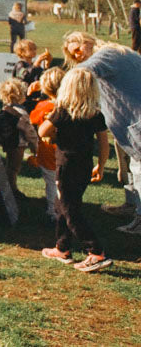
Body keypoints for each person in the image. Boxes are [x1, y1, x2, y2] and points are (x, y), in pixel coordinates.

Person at [63, 31, 141, 235]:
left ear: (88, 42)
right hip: (131, 125)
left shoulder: (106, 55)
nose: (78, 56)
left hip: (137, 123)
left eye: (78, 49)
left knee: (139, 171)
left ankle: (140, 219)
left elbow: (84, 70)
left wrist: (60, 88)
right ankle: (132, 205)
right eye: (73, 55)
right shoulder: (117, 54)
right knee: (133, 169)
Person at [37, 68, 113, 272]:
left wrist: (52, 129)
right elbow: (104, 143)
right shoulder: (95, 114)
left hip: (67, 166)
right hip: (85, 165)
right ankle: (62, 248)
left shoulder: (62, 111)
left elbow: (42, 130)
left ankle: (95, 251)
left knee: (70, 210)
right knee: (63, 204)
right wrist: (102, 165)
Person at [28, 67, 64, 221]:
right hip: (65, 151)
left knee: (51, 183)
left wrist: (31, 95)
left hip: (48, 152)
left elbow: (32, 118)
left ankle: (53, 211)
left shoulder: (43, 106)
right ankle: (65, 210)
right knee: (63, 183)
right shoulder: (67, 106)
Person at [0, 79, 37, 199]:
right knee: (14, 168)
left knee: (10, 165)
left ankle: (8, 187)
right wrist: (35, 145)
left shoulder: (4, 110)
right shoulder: (21, 112)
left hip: (8, 143)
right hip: (18, 144)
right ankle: (11, 190)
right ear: (19, 96)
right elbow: (28, 130)